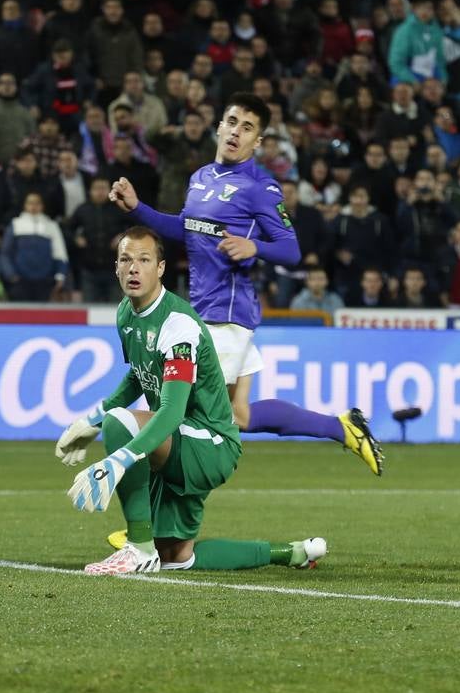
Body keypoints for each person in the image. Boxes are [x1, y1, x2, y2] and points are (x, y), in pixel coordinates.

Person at [108, 92, 383, 475]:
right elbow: (185, 228)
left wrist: (253, 244)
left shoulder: (260, 187)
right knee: (238, 414)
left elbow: (290, 250)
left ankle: (153, 527)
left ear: (258, 141)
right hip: (203, 311)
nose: (237, 132)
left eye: (248, 128)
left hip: (227, 315)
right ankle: (340, 427)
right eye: (232, 122)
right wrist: (139, 209)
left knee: (177, 416)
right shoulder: (200, 178)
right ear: (219, 126)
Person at [56, 226, 326, 575]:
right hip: (180, 442)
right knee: (176, 555)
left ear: (161, 268)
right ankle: (291, 553)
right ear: (116, 267)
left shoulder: (178, 325)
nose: (134, 268)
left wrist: (120, 458)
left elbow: (170, 412)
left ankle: (138, 549)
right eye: (126, 260)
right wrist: (88, 421)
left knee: (120, 422)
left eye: (144, 260)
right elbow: (140, 374)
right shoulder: (126, 313)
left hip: (210, 441)